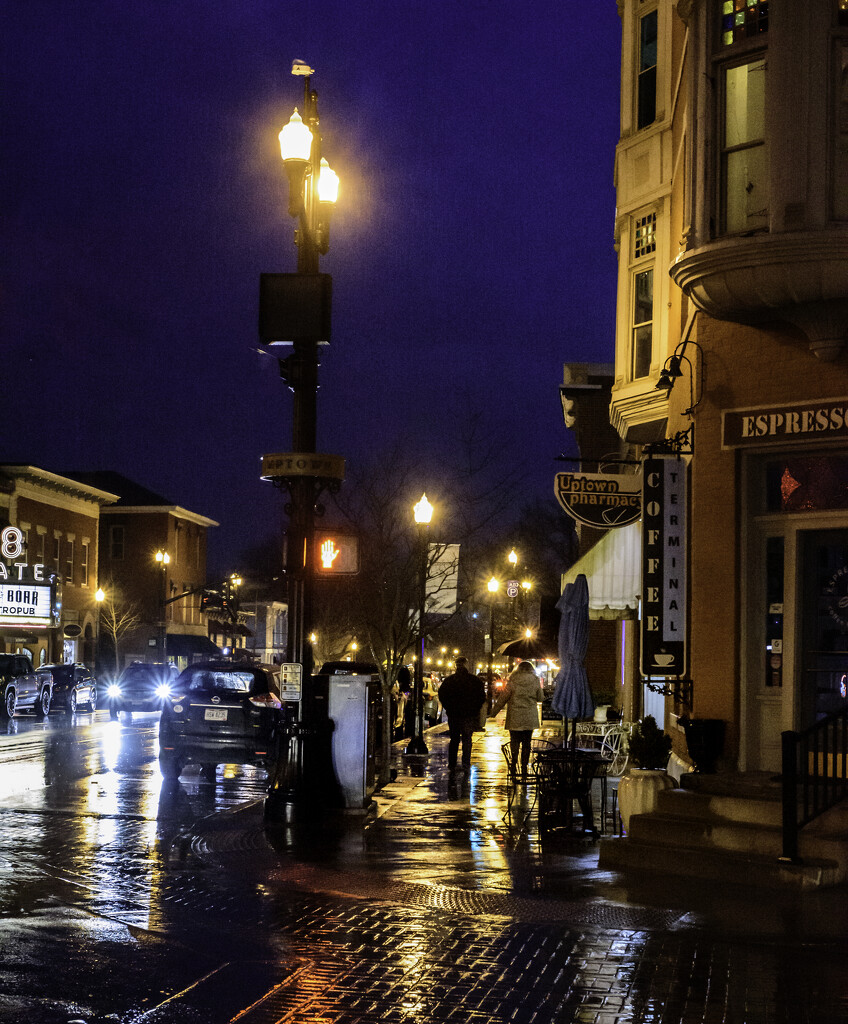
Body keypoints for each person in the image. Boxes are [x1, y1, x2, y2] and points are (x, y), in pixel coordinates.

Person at [491, 661, 544, 780]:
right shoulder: (535, 679)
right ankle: (524, 767)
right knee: (527, 743)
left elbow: (503, 698)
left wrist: (493, 713)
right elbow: (540, 698)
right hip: (529, 717)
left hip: (515, 716)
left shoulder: (513, 680)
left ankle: (513, 765)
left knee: (514, 742)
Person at [438, 657, 486, 778]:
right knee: (467, 739)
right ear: (466, 665)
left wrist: (448, 707)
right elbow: (481, 697)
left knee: (454, 739)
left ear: (456, 666)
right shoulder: (474, 681)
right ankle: (465, 763)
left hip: (454, 713)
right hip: (468, 714)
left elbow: (442, 695)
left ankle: (452, 764)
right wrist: (475, 709)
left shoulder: (449, 681)